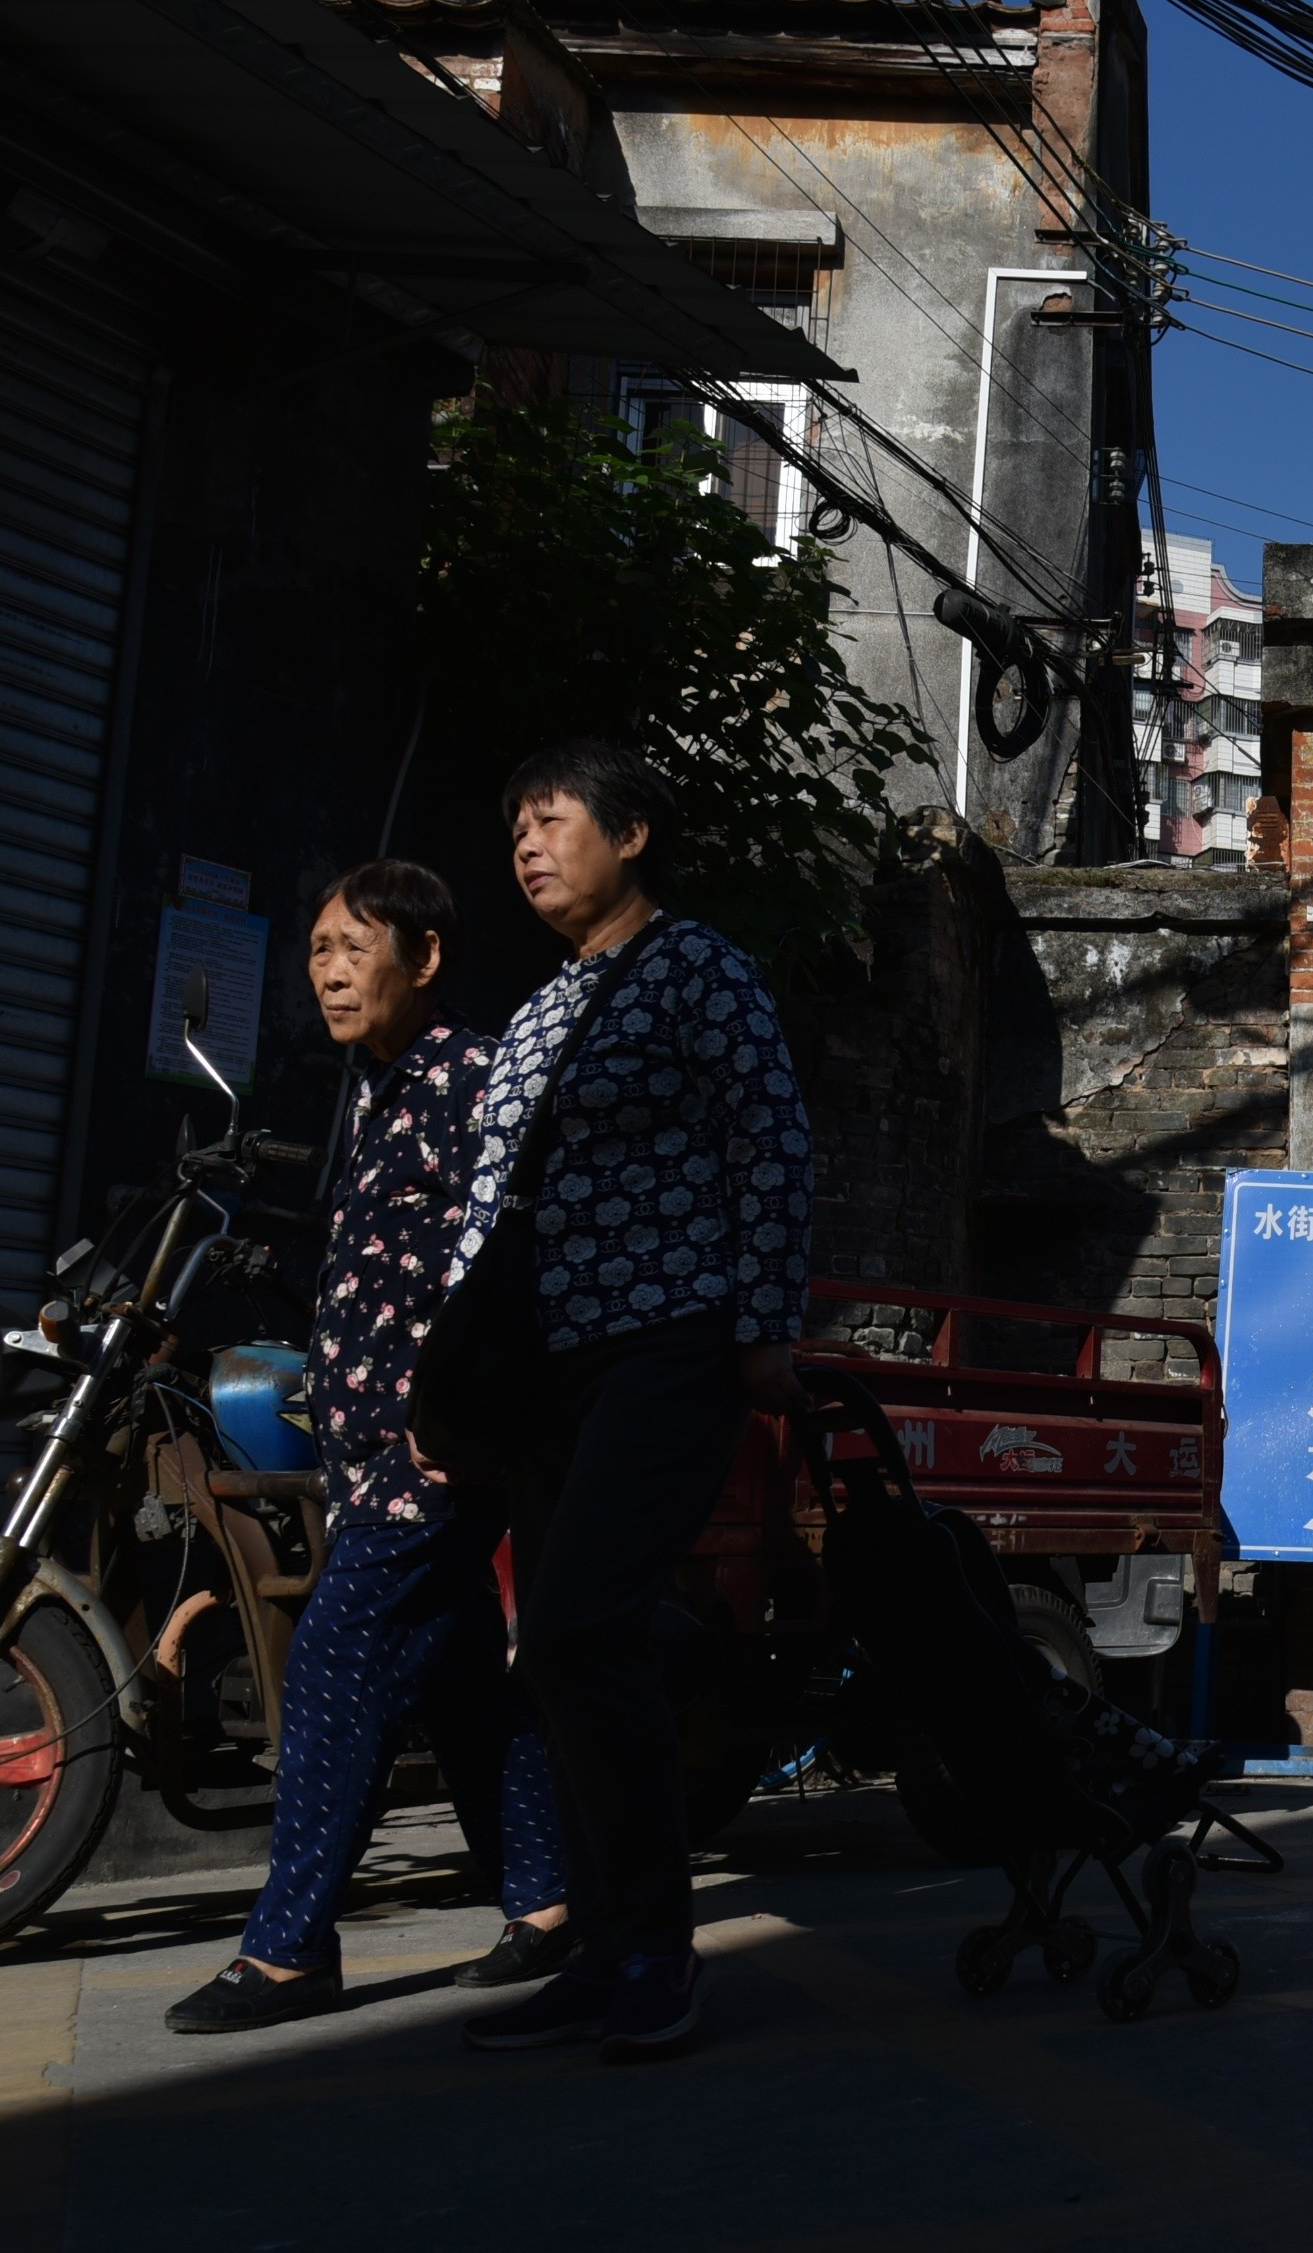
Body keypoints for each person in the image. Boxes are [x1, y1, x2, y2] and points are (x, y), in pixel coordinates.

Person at [445, 741, 809, 2066]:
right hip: (546, 1368)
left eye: (552, 821)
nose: (529, 847)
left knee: (579, 1629)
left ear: (631, 833)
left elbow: (771, 1139)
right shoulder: (538, 1010)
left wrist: (764, 1326)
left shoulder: (701, 971)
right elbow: (488, 1205)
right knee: (554, 1647)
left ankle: (653, 1947)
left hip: (669, 1346)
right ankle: (601, 1949)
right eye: (517, 831)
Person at [167, 861, 575, 2035]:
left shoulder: (473, 1078)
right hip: (372, 1452)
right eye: (316, 952)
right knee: (458, 1689)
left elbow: (513, 1259)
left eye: (353, 946)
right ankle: (547, 1903)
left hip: (430, 1454)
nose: (330, 971)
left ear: (425, 956)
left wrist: (467, 1418)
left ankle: (290, 1947)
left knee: (337, 1669)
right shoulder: (372, 1086)